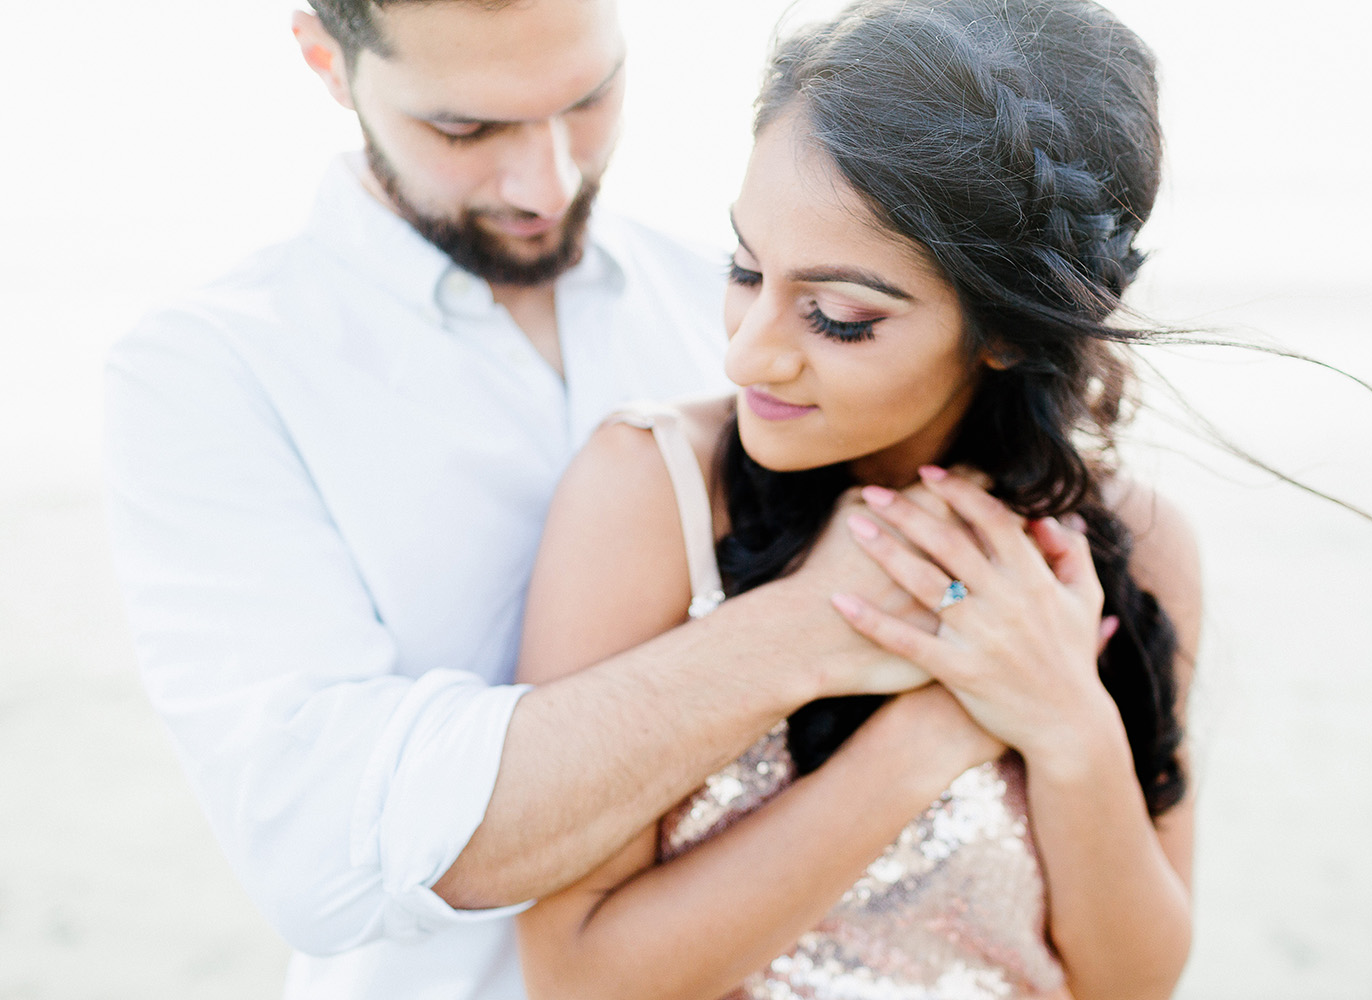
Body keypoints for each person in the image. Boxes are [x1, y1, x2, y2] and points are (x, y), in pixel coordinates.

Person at [102, 1, 950, 996]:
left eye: (590, 98)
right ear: (326, 61)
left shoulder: (726, 303)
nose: (549, 180)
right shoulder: (211, 369)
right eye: (465, 129)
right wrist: (803, 630)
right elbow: (326, 847)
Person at [512, 1, 1200, 998]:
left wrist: (1066, 718)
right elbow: (576, 978)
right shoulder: (651, 489)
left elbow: (1132, 983)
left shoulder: (1132, 543)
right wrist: (934, 731)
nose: (748, 349)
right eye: (746, 268)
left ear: (1007, 329)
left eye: (837, 317)